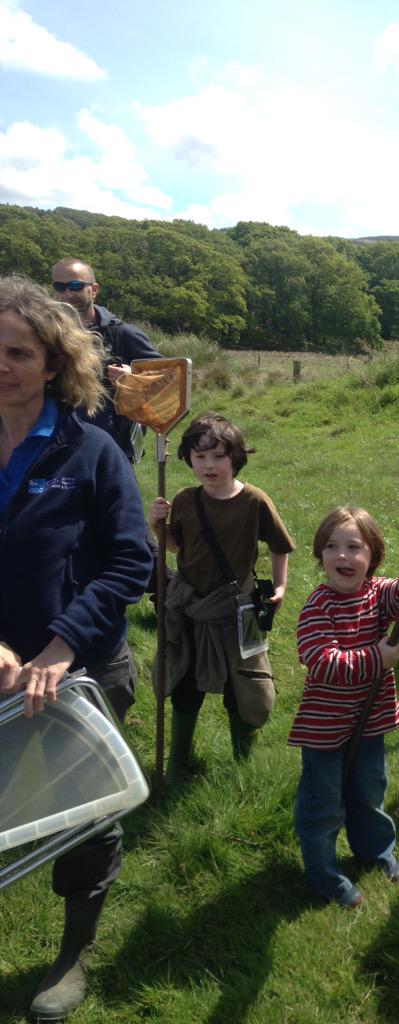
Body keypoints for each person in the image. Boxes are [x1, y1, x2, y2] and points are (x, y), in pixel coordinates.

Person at [0, 276, 152, 1020]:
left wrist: (61, 646)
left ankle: (72, 955)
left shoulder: (90, 451)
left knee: (83, 818)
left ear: (55, 364)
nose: (1, 365)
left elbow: (132, 561)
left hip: (82, 670)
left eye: (17, 352)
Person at [288, 506, 399, 907]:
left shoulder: (377, 594)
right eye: (332, 547)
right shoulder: (318, 605)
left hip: (370, 721)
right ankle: (324, 874)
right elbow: (320, 660)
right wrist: (376, 658)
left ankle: (376, 852)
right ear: (320, 556)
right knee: (323, 803)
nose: (342, 556)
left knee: (369, 793)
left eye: (353, 547)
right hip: (325, 729)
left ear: (372, 556)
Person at [148, 412, 294, 778]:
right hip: (190, 608)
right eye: (200, 457)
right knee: (183, 683)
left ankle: (243, 764)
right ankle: (178, 763)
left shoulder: (254, 501)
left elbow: (279, 545)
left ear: (236, 457)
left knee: (242, 688)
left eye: (218, 456)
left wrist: (279, 586)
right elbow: (175, 545)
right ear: (188, 459)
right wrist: (155, 525)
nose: (209, 465)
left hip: (238, 609)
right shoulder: (183, 500)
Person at [51, 258, 161, 463]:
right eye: (60, 286)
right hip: (58, 447)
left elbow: (168, 379)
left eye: (75, 286)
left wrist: (133, 377)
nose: (67, 293)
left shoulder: (122, 334)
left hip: (111, 451)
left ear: (93, 290)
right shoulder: (50, 336)